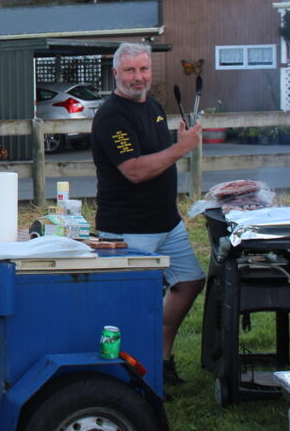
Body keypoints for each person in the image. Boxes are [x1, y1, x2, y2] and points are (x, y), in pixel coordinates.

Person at [91, 41, 204, 388]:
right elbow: (135, 170)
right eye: (130, 70)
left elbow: (158, 155)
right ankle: (130, 378)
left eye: (143, 69)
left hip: (167, 223)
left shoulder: (152, 105)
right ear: (115, 73)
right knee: (132, 308)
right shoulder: (112, 116)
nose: (138, 77)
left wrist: (177, 143)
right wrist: (181, 148)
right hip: (129, 228)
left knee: (190, 282)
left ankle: (160, 358)